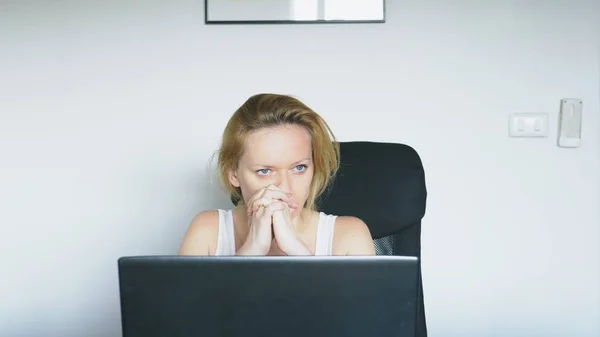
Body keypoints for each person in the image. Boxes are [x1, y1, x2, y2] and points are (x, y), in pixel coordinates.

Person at [178, 93, 375, 256]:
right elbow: (189, 304)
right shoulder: (207, 230)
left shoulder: (349, 234)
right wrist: (252, 249)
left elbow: (358, 305)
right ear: (233, 174)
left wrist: (297, 250)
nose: (285, 189)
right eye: (265, 171)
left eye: (299, 168)